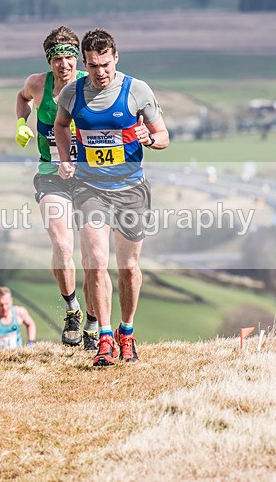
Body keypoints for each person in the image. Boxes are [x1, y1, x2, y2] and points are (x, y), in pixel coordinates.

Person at [53, 28, 170, 367]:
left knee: (129, 268)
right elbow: (61, 125)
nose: (100, 72)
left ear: (115, 58)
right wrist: (65, 158)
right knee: (95, 261)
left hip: (131, 189)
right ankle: (104, 337)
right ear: (84, 64)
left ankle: (126, 332)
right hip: (90, 190)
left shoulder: (137, 90)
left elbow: (163, 135)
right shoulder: (73, 94)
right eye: (92, 66)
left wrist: (149, 137)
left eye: (105, 64)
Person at [15, 25, 98, 350]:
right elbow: (22, 100)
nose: (64, 64)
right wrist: (22, 123)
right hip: (51, 172)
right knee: (63, 246)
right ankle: (72, 310)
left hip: (89, 177)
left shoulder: (89, 84)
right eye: (57, 58)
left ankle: (94, 321)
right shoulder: (36, 83)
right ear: (49, 60)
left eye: (69, 57)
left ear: (76, 58)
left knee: (93, 254)